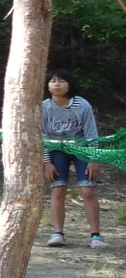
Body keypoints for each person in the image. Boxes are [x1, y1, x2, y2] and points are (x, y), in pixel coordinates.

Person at [40, 69, 104, 249]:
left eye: (61, 81)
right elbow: (42, 136)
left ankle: (96, 235)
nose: (57, 84)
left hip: (81, 148)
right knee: (58, 188)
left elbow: (91, 133)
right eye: (53, 81)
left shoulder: (82, 105)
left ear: (70, 84)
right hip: (56, 150)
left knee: (87, 190)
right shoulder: (44, 107)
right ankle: (57, 233)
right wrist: (46, 162)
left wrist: (93, 158)